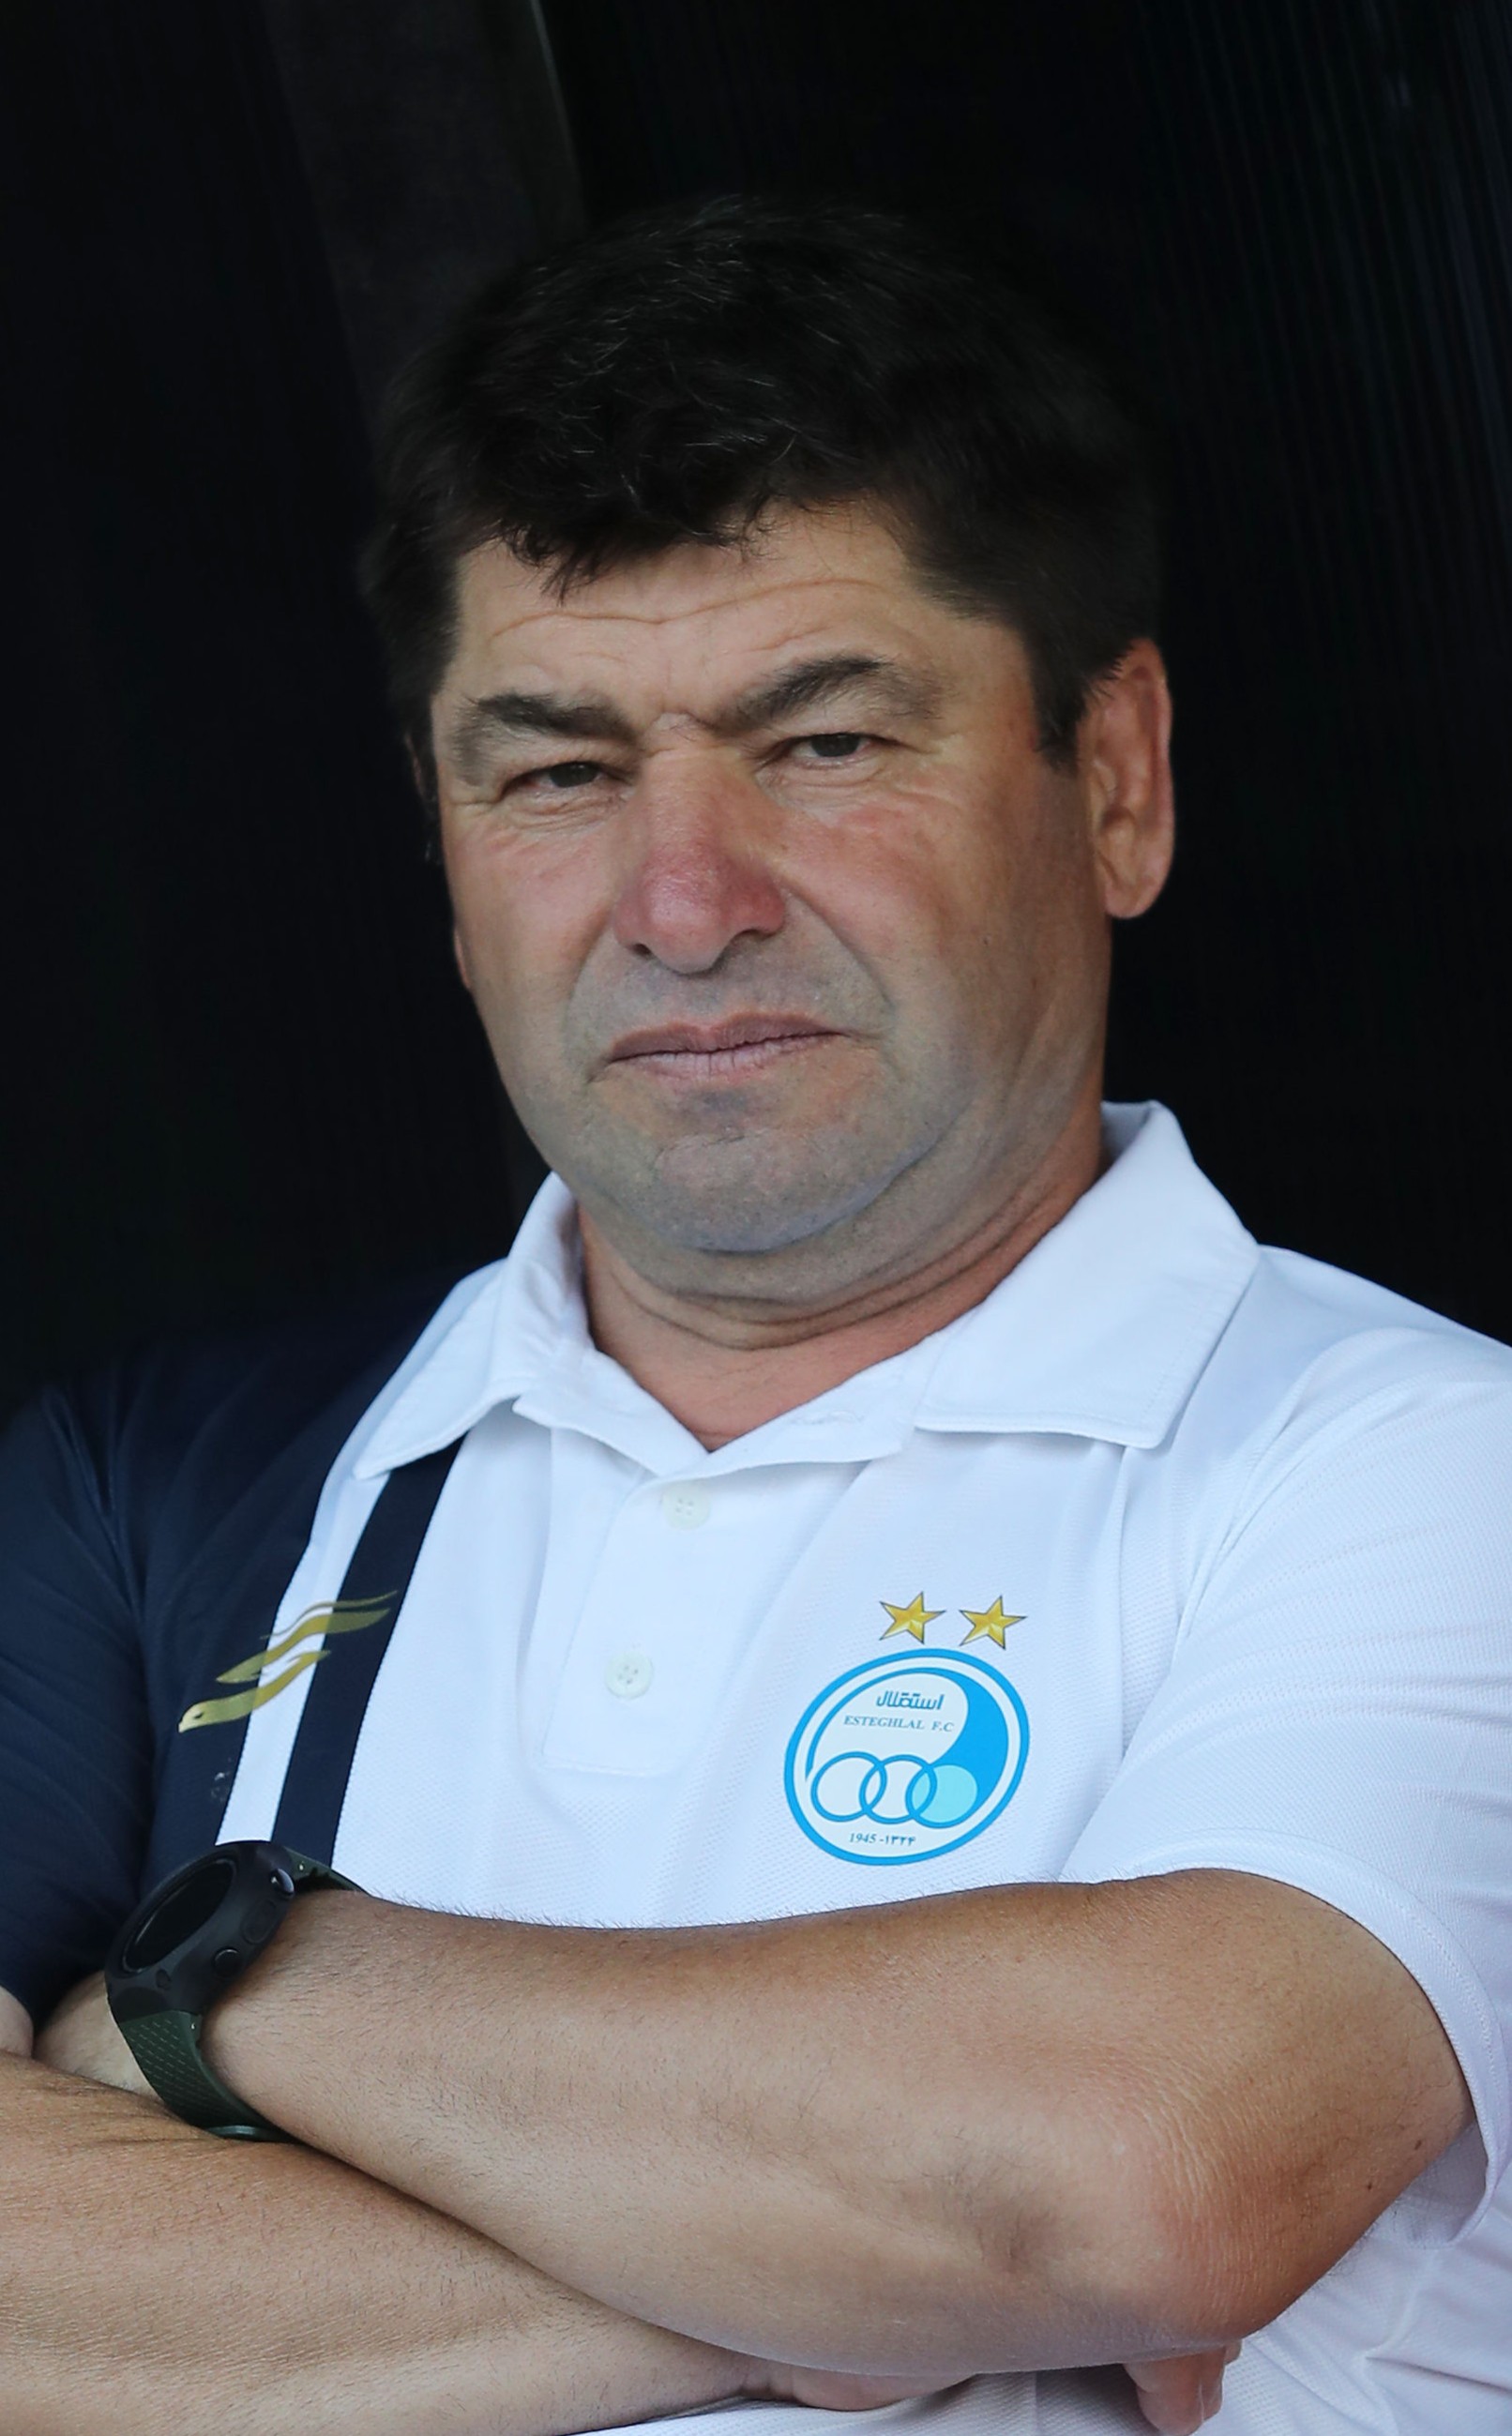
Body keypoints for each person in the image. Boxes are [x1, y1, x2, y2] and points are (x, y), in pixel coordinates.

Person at [0, 195, 1507, 2436]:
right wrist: (898, 2281)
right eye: (556, 770)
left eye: (821, 743)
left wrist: (225, 1984)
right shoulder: (169, 1483)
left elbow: (1134, 2171)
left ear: (1112, 780)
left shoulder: (1416, 1464)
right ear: (441, 848)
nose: (683, 903)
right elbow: (1041, 2242)